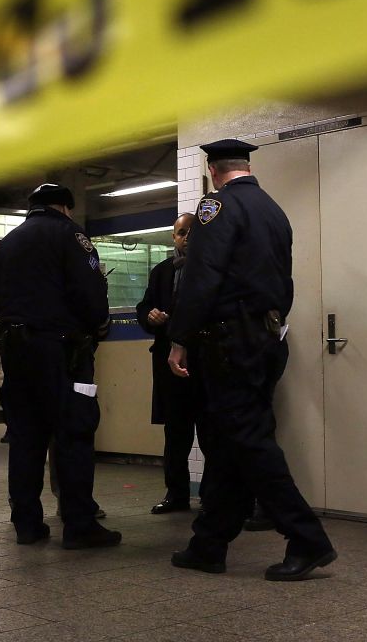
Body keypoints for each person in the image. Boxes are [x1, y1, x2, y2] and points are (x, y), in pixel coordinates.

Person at [167, 139, 336, 581]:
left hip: (229, 341)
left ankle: (307, 539)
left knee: (250, 441)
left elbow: (203, 277)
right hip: (265, 338)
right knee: (229, 442)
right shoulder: (272, 209)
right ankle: (209, 542)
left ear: (212, 169)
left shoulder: (216, 207)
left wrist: (180, 337)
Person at [0, 183, 120, 550]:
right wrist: (97, 327)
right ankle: (79, 525)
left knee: (26, 437)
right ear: (66, 208)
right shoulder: (71, 235)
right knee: (73, 434)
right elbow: (91, 294)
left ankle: (27, 524)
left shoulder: (8, 242)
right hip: (63, 353)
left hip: (16, 351)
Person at [136, 212, 203, 514]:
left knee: (212, 430)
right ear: (173, 237)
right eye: (180, 233)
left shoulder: (210, 268)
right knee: (175, 433)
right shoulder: (162, 271)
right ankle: (176, 494)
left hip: (203, 360)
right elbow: (145, 304)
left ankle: (213, 496)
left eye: (190, 232)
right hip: (168, 361)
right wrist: (149, 315)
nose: (185, 238)